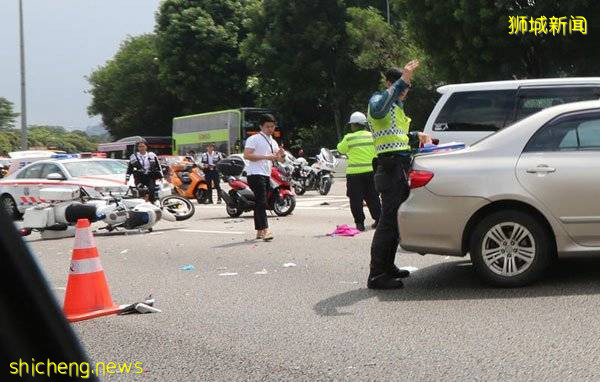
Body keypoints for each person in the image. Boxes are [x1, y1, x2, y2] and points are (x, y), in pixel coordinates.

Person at [366, 60, 432, 290]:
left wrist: (417, 135)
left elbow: (397, 137)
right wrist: (403, 79)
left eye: (407, 89)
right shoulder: (378, 100)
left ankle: (388, 266)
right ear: (390, 84)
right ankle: (376, 275)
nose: (405, 93)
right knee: (388, 221)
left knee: (396, 220)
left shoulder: (398, 108)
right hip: (390, 168)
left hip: (398, 166)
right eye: (402, 87)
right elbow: (377, 110)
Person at [336, 111, 381, 232]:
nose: (351, 126)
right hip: (370, 172)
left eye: (352, 124)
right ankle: (378, 220)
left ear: (355, 125)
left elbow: (340, 149)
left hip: (354, 174)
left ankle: (359, 223)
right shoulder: (373, 136)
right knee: (373, 197)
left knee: (355, 199)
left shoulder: (349, 138)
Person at [243, 114, 285, 241]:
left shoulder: (273, 141)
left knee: (260, 202)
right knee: (262, 202)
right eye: (267, 126)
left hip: (266, 173)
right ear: (261, 126)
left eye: (272, 126)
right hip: (255, 173)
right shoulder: (254, 138)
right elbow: (247, 155)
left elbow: (279, 160)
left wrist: (282, 156)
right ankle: (266, 230)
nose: (270, 129)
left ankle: (259, 231)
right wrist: (267, 157)